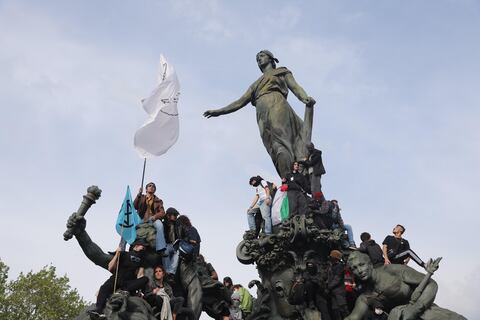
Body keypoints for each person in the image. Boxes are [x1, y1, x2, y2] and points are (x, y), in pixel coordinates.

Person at [204, 50, 316, 178]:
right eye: (257, 58)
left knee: (281, 141)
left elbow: (295, 87)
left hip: (277, 104)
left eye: (261, 56)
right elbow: (239, 102)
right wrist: (219, 111)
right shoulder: (255, 84)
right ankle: (286, 177)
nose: (259, 59)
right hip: (261, 113)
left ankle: (293, 174)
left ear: (271, 59)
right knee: (272, 146)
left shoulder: (281, 72)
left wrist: (305, 98)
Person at [344, 251, 467, 320]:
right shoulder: (365, 297)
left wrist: (415, 309)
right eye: (354, 268)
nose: (359, 270)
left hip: (425, 311)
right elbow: (352, 318)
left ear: (369, 263)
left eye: (361, 265)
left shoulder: (394, 271)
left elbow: (431, 284)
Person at [89, 238, 149, 318]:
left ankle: (124, 291)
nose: (144, 249)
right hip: (116, 278)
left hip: (128, 283)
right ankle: (98, 310)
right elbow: (110, 267)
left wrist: (138, 289)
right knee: (103, 288)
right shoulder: (124, 254)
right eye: (143, 246)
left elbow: (140, 275)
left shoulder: (142, 259)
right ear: (136, 246)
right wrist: (117, 254)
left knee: (145, 279)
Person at [134, 182, 167, 253]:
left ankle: (160, 248)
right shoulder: (141, 197)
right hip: (141, 219)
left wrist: (154, 217)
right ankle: (121, 247)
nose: (152, 187)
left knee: (160, 225)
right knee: (128, 226)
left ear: (155, 190)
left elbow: (162, 213)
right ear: (146, 189)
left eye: (154, 187)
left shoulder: (158, 201)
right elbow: (134, 206)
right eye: (150, 186)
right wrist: (138, 195)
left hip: (153, 219)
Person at [327, 250, 349, 320]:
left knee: (343, 310)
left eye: (331, 257)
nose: (330, 259)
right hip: (333, 292)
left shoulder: (339, 266)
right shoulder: (332, 266)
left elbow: (337, 279)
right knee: (335, 311)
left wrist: (328, 287)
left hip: (339, 292)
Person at [163, 207, 180, 275]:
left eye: (176, 215)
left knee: (178, 252)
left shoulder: (177, 225)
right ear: (168, 215)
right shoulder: (163, 224)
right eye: (174, 215)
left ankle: (171, 272)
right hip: (167, 245)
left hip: (175, 246)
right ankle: (167, 272)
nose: (176, 217)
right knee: (165, 251)